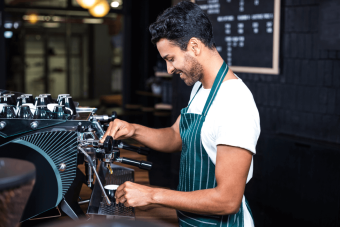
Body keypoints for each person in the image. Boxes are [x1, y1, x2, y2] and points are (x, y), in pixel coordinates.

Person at [100, 1, 260, 226]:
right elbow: (176, 137)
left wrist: (152, 195)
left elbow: (228, 200)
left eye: (170, 58)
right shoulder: (201, 87)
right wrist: (133, 130)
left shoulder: (234, 104)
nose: (169, 69)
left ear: (194, 46)